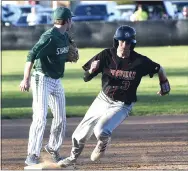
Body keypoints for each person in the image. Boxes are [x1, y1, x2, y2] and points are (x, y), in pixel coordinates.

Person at [57, 25, 171, 168]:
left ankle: (103, 142)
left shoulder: (140, 61)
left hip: (122, 105)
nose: (124, 45)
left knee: (101, 131)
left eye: (128, 42)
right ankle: (72, 159)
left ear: (132, 44)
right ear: (116, 41)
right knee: (79, 134)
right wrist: (91, 71)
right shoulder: (106, 55)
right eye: (121, 41)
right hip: (102, 99)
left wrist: (164, 85)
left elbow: (159, 69)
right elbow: (86, 78)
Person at [19, 7, 77, 166]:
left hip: (56, 80)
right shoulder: (49, 37)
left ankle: (53, 149)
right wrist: (26, 78)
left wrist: (66, 58)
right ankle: (32, 154)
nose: (72, 21)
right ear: (67, 21)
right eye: (71, 19)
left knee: (60, 118)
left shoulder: (65, 36)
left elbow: (59, 55)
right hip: (41, 78)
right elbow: (31, 54)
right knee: (40, 116)